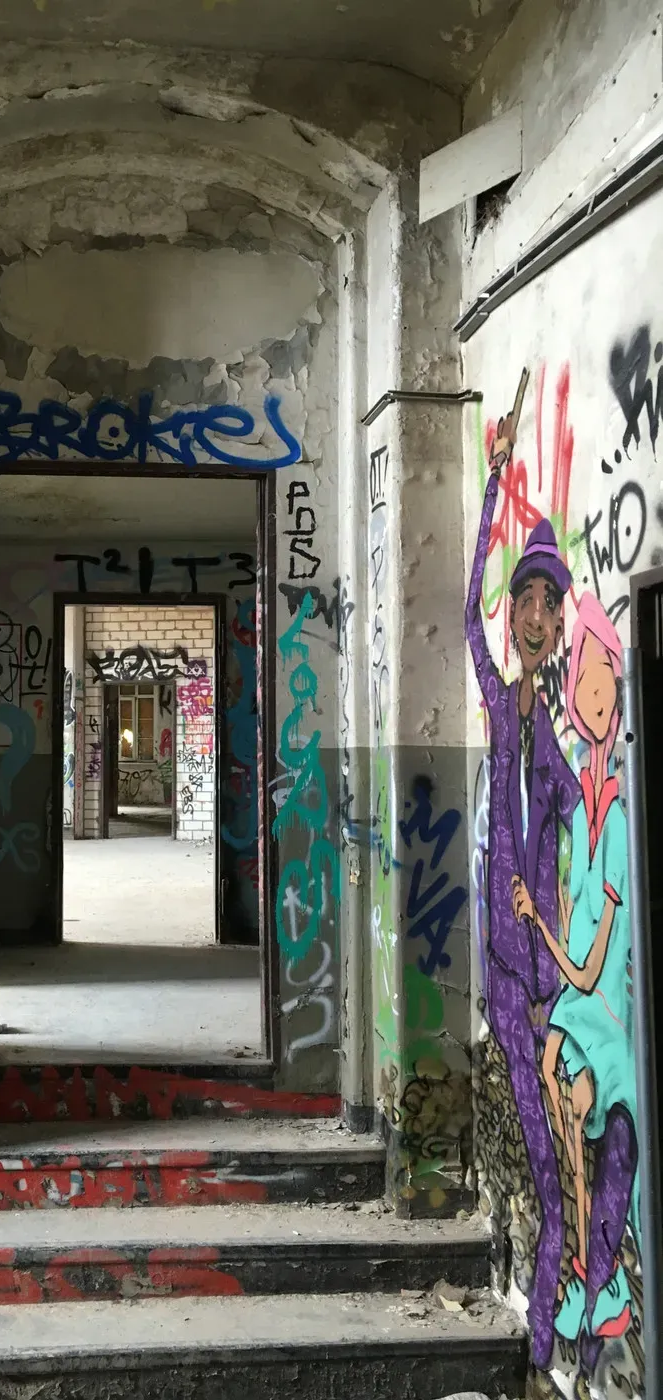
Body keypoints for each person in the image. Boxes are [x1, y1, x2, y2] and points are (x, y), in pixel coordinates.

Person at [465, 407, 580, 1369]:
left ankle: (548, 1319)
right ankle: (547, 1310)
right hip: (504, 962)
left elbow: (582, 822)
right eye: (524, 602)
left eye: (548, 603)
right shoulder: (503, 701)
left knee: (557, 1146)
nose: (531, 618)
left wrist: (566, 916)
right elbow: (464, 612)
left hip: (542, 962)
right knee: (538, 1143)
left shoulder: (559, 734)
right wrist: (494, 484)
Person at [513, 593, 639, 1358]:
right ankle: (594, 1271)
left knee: (573, 1080)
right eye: (584, 684)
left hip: (606, 1008)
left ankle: (603, 1281)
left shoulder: (617, 813)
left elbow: (594, 964)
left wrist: (539, 930)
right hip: (577, 1000)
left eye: (604, 684)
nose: (593, 698)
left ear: (618, 691)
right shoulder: (586, 804)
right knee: (553, 1068)